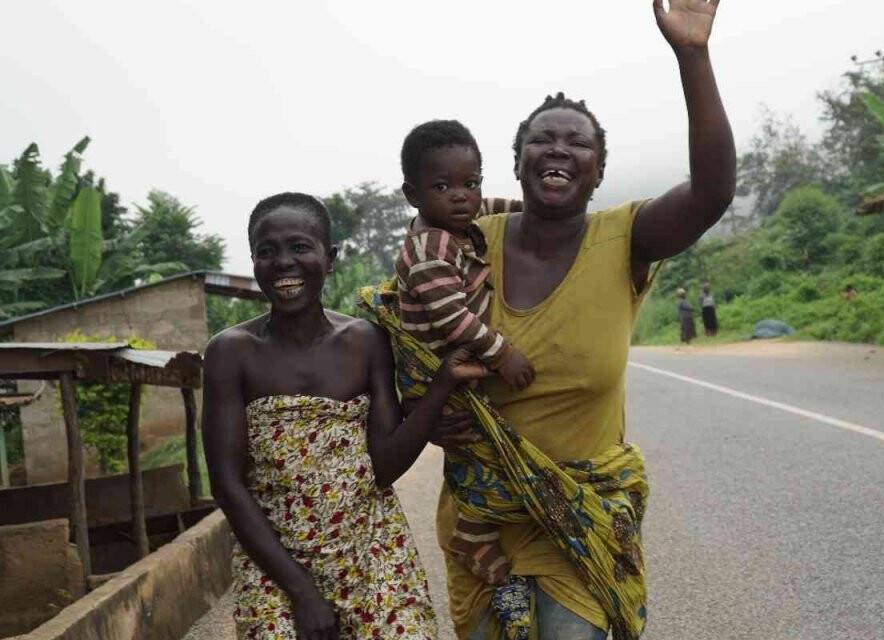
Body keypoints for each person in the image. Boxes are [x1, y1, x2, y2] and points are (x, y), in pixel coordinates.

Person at [423, 1, 736, 638]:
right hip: (485, 521)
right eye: (542, 139)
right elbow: (404, 331)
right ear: (516, 162)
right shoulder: (462, 243)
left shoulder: (626, 238)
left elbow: (712, 193)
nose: (558, 149)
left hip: (585, 511)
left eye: (578, 142)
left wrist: (693, 55)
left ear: (598, 169)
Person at [202, 192, 486, 640]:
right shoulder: (230, 353)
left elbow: (384, 467)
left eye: (299, 247)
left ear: (329, 258)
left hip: (371, 549)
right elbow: (227, 485)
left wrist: (443, 386)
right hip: (276, 564)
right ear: (254, 261)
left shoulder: (366, 341)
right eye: (267, 252)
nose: (283, 263)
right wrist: (301, 592)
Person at [392, 120, 535, 586]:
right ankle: (472, 533)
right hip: (437, 370)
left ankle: (477, 527)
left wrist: (533, 210)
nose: (462, 196)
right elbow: (453, 319)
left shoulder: (457, 220)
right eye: (442, 186)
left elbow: (492, 208)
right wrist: (503, 354)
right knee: (485, 452)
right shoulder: (428, 249)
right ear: (413, 195)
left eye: (470, 183)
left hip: (453, 365)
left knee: (484, 449)